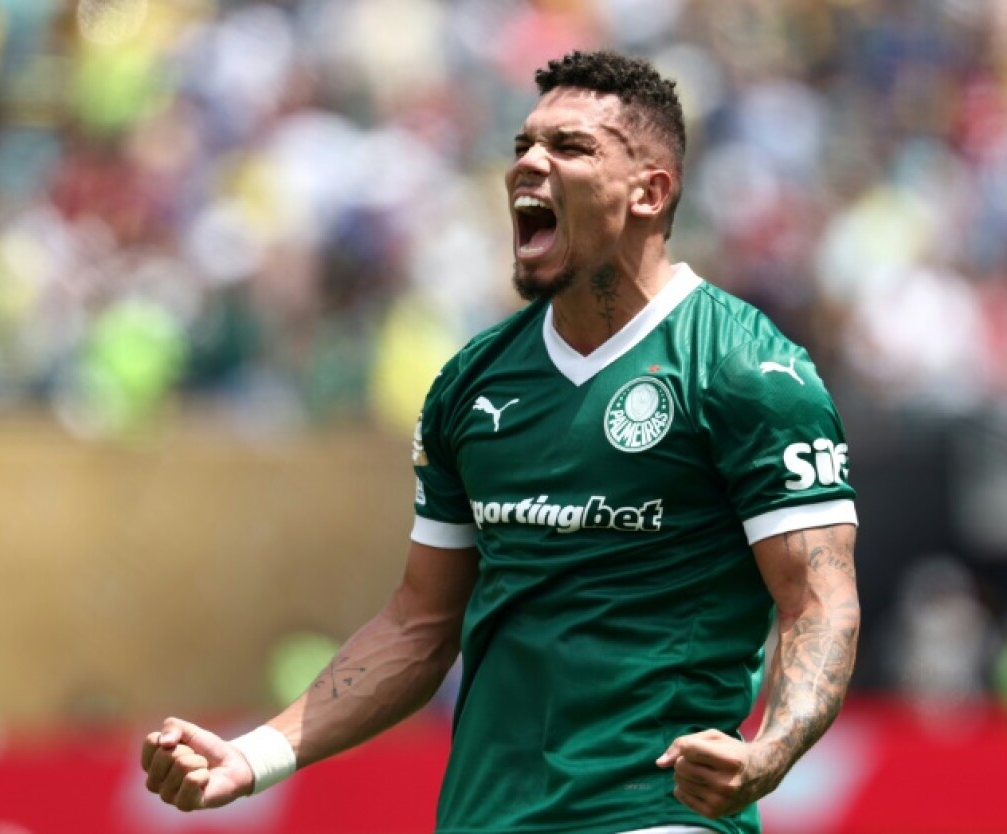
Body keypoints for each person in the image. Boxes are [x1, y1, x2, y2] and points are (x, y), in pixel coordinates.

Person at [140, 50, 860, 834]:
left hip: (652, 815)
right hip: (484, 819)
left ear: (651, 191)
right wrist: (254, 757)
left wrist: (770, 752)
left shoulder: (744, 368)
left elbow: (818, 602)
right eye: (523, 145)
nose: (529, 165)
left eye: (571, 147)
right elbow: (419, 623)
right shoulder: (472, 383)